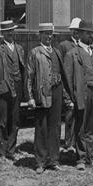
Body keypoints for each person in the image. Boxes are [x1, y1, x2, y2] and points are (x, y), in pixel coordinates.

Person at [26, 23, 70, 173]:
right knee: (41, 127)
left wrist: (65, 95)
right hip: (42, 93)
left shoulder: (57, 52)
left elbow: (63, 75)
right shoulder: (35, 53)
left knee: (55, 127)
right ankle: (40, 162)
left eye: (50, 34)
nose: (48, 36)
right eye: (45, 34)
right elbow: (29, 76)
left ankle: (53, 160)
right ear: (40, 35)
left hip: (57, 92)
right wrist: (30, 97)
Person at [63, 21, 93, 170]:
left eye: (92, 33)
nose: (90, 35)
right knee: (81, 127)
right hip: (82, 95)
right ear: (79, 34)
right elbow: (67, 79)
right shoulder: (72, 54)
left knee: (92, 127)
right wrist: (69, 99)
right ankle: (80, 159)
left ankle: (90, 157)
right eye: (87, 33)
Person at [0, 20, 25, 159]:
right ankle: (1, 150)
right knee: (2, 120)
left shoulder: (20, 49)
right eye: (7, 32)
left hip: (17, 87)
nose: (10, 33)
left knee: (15, 120)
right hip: (3, 88)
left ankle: (11, 150)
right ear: (3, 34)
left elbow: (23, 70)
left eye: (11, 31)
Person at [58, 18, 83, 149]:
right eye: (74, 31)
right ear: (71, 31)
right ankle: (69, 142)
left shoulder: (84, 45)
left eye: (78, 31)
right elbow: (61, 68)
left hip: (81, 86)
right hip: (69, 85)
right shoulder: (64, 45)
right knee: (70, 115)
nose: (76, 33)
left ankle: (78, 141)